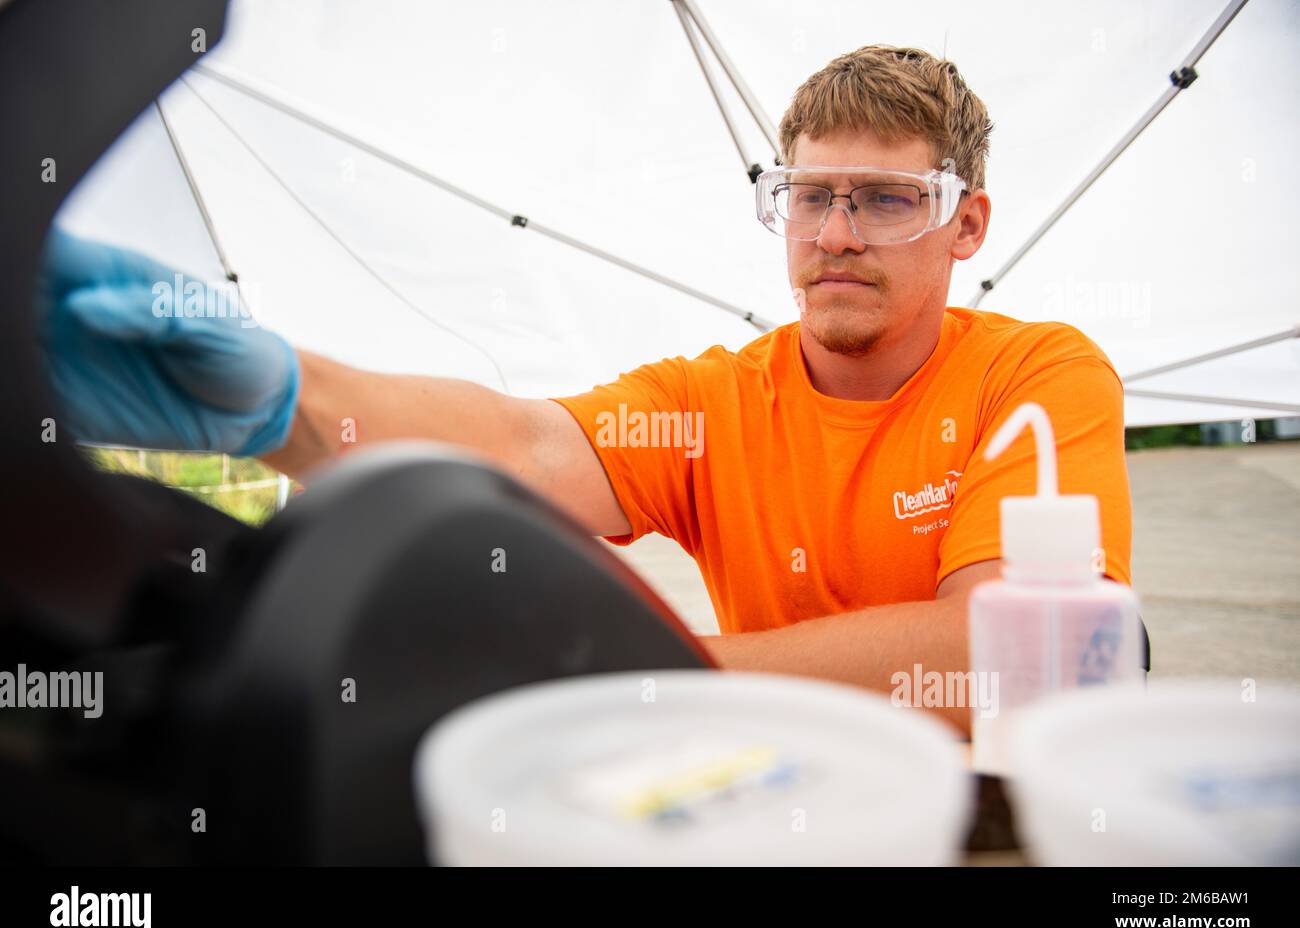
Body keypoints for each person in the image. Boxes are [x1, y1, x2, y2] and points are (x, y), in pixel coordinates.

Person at [39, 45, 1132, 737]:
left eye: (889, 199)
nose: (836, 233)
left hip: (985, 813)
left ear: (968, 224)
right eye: (808, 195)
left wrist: (632, 670)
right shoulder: (711, 400)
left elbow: (993, 645)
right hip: (776, 794)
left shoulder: (1035, 378)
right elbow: (524, 449)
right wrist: (281, 396)